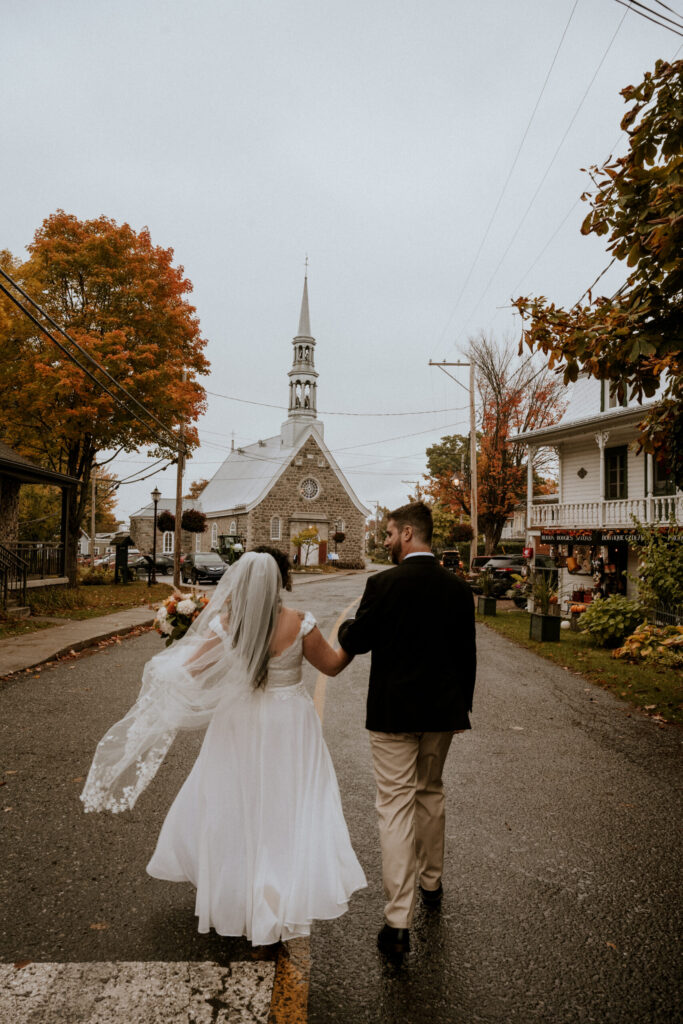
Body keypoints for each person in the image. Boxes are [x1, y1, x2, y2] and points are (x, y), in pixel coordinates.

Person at [81, 549, 366, 946]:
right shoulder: (301, 624)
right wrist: (354, 640)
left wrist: (178, 640)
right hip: (290, 723)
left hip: (239, 721)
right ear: (280, 583)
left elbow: (190, 673)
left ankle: (238, 893)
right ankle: (279, 898)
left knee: (234, 804)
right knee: (286, 808)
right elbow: (333, 666)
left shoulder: (226, 624)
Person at [338, 502, 476, 957]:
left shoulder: (383, 584)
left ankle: (398, 921)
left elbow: (356, 642)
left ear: (410, 534)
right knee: (431, 792)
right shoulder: (458, 590)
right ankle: (432, 883)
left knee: (395, 806)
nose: (386, 540)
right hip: (442, 714)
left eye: (391, 533)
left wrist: (343, 627)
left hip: (393, 715)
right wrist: (461, 712)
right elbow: (466, 657)